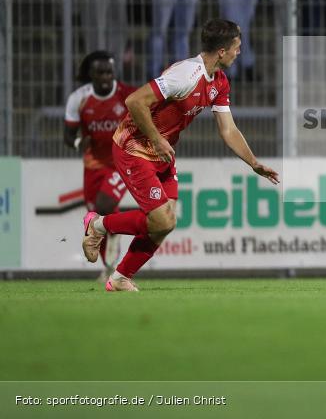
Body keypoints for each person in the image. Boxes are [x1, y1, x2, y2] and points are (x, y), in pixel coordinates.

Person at [80, 19, 280, 291]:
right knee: (161, 219)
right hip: (134, 148)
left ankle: (120, 278)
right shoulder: (186, 75)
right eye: (237, 47)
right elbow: (135, 101)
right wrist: (156, 138)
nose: (239, 52)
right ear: (222, 51)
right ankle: (98, 225)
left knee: (166, 222)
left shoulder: (219, 82)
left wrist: (254, 163)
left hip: (161, 152)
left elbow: (228, 129)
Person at [64, 52, 135, 281]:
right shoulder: (78, 99)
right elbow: (67, 136)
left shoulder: (127, 95)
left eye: (109, 72)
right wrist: (78, 142)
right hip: (93, 165)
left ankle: (115, 249)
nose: (106, 77)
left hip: (122, 161)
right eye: (101, 73)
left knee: (105, 204)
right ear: (91, 75)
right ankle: (110, 266)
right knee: (95, 217)